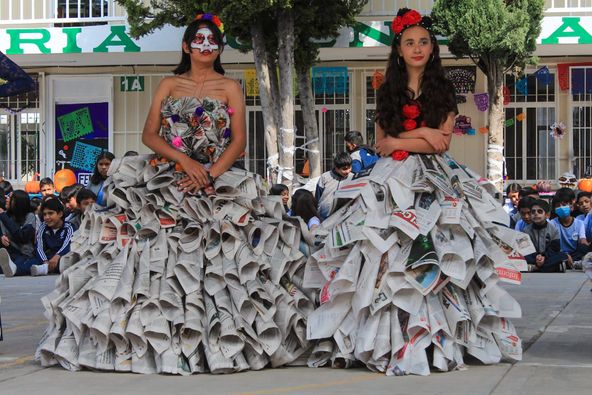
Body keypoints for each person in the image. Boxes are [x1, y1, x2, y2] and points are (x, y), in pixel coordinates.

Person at [36, 12, 313, 375]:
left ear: (220, 48)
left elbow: (239, 139)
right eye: (198, 40)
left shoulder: (230, 87)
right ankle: (148, 338)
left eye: (212, 41)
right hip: (166, 174)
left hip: (216, 176)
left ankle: (217, 337)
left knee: (224, 252)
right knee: (147, 250)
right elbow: (149, 135)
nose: (205, 46)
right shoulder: (168, 83)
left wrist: (209, 172)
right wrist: (184, 162)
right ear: (186, 45)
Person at [306, 8, 531, 376]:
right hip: (390, 177)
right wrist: (418, 136)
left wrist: (402, 138)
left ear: (432, 48)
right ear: (398, 49)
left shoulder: (442, 88)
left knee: (439, 249)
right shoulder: (387, 89)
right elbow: (381, 143)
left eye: (423, 42)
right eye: (409, 42)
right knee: (384, 253)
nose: (417, 48)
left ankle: (437, 336)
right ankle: (389, 340)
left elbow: (441, 143)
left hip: (433, 179)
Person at [26, 197, 74, 276]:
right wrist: (44, 261)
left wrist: (58, 256)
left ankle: (43, 269)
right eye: (45, 214)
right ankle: (16, 269)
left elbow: (68, 244)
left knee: (66, 263)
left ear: (60, 214)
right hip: (48, 258)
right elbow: (39, 247)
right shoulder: (43, 227)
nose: (47, 217)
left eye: (50, 213)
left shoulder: (69, 227)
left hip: (62, 257)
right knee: (30, 262)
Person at [523, 199, 567, 273]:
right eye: (533, 212)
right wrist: (537, 257)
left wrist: (544, 257)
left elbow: (555, 248)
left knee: (563, 255)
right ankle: (555, 267)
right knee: (520, 256)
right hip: (533, 257)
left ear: (547, 215)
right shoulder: (526, 230)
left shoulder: (553, 229)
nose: (536, 214)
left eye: (539, 211)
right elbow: (526, 248)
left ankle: (535, 268)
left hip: (547, 257)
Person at [0, 190, 37, 277]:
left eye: (11, 198)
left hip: (23, 254)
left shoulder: (30, 217)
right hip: (8, 252)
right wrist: (1, 236)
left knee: (21, 265)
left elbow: (22, 237)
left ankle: (15, 269)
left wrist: (4, 218)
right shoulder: (5, 215)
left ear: (19, 203)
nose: (7, 199)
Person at [550, 188, 587, 267]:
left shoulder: (579, 223)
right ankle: (571, 263)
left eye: (564, 205)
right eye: (558, 206)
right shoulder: (552, 223)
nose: (561, 208)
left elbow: (582, 239)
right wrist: (564, 255)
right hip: (559, 253)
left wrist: (586, 244)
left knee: (584, 248)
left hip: (574, 253)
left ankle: (566, 263)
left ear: (571, 205)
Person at [315, 152, 353, 221]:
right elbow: (317, 197)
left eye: (349, 168)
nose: (348, 171)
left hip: (343, 217)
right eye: (344, 169)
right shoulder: (325, 177)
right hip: (324, 217)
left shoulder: (352, 178)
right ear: (336, 167)